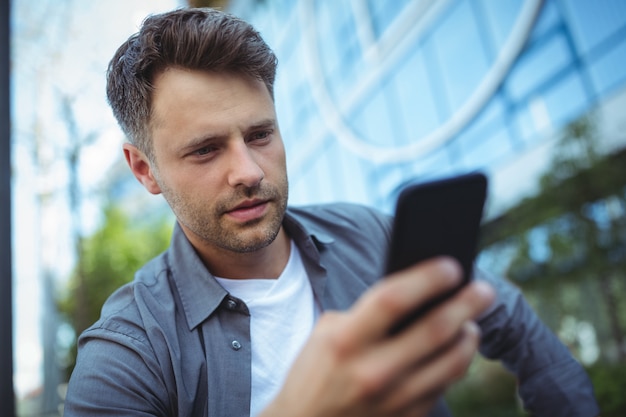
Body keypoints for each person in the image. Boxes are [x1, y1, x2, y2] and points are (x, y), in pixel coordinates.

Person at [64, 7, 599, 417]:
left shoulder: (369, 235)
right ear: (144, 170)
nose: (248, 170)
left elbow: (517, 324)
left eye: (260, 134)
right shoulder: (124, 355)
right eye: (205, 149)